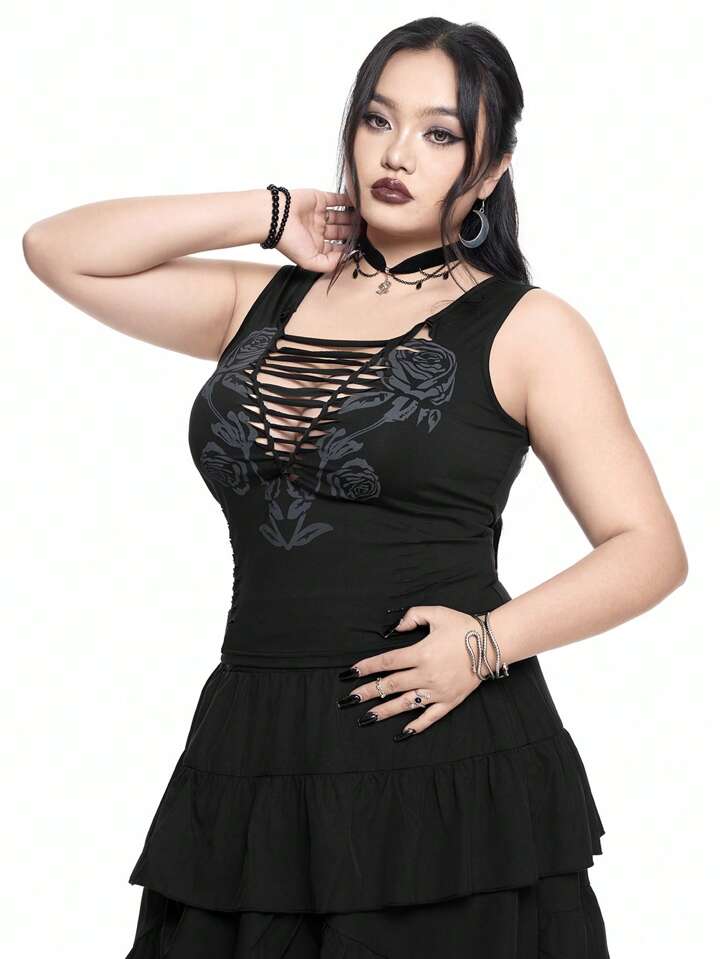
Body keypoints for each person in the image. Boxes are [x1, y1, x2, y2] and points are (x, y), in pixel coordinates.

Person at [23, 16, 687, 959]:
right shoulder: (258, 299)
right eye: (378, 120)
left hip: (437, 749)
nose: (397, 153)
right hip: (254, 746)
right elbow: (57, 248)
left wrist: (487, 646)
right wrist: (271, 213)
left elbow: (650, 549)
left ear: (491, 171)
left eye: (440, 133)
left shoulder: (528, 328)